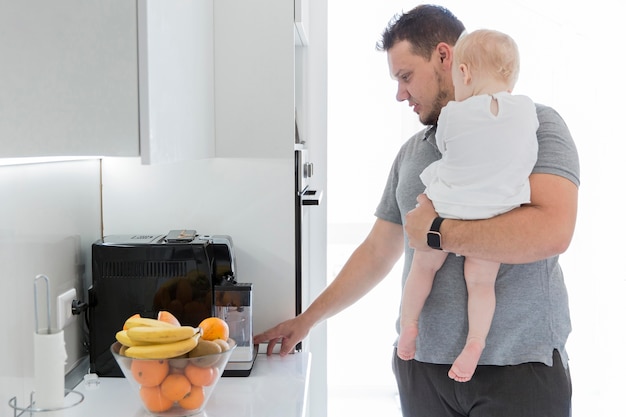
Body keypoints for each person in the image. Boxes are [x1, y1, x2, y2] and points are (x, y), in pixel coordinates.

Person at [254, 4, 579, 416]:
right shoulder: (414, 152)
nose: (400, 94)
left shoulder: (533, 125)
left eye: (406, 76)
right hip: (421, 369)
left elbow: (552, 230)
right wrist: (307, 320)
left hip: (521, 368)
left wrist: (437, 232)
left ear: (446, 57)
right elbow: (377, 252)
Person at [396, 28, 539, 384]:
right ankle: (475, 343)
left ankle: (409, 325)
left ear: (464, 73)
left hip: (447, 205)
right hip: (497, 211)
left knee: (422, 269)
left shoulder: (454, 114)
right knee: (480, 284)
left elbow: (448, 147)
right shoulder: (526, 111)